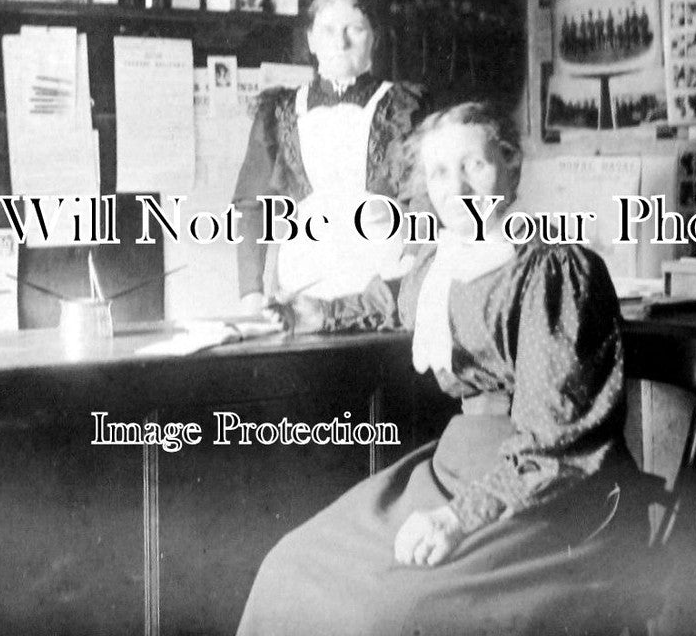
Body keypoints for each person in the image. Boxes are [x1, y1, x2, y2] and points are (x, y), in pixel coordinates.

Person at [237, 102, 651, 636]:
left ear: (511, 166)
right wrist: (311, 311)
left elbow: (556, 440)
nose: (456, 188)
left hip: (550, 491)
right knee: (290, 566)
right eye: (438, 172)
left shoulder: (554, 269)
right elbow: (391, 300)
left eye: (473, 165)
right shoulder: (443, 264)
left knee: (390, 610)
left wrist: (457, 519)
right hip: (454, 468)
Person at [232, 0, 422, 312]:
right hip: (304, 289)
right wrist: (250, 291)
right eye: (328, 29)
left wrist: (414, 259)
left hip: (384, 285)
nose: (341, 41)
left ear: (374, 38)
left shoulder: (404, 107)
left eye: (355, 29)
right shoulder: (279, 111)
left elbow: (427, 197)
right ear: (311, 39)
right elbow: (252, 205)